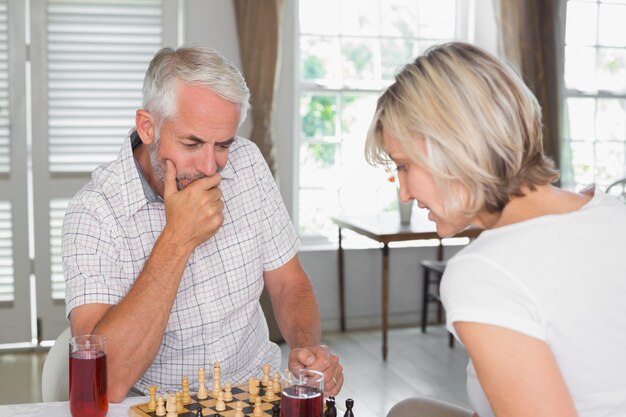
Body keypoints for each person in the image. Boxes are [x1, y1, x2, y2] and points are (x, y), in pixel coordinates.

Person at [63, 46, 343, 402]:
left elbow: (289, 283)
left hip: (259, 386)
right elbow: (107, 382)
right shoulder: (93, 214)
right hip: (158, 402)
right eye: (192, 143)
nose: (211, 167)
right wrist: (177, 239)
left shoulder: (248, 162)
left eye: (223, 144)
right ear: (148, 127)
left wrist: (307, 350)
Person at [365, 42, 626, 417]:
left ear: (452, 148)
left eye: (404, 166)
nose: (404, 194)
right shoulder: (609, 210)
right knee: (411, 411)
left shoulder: (483, 271)